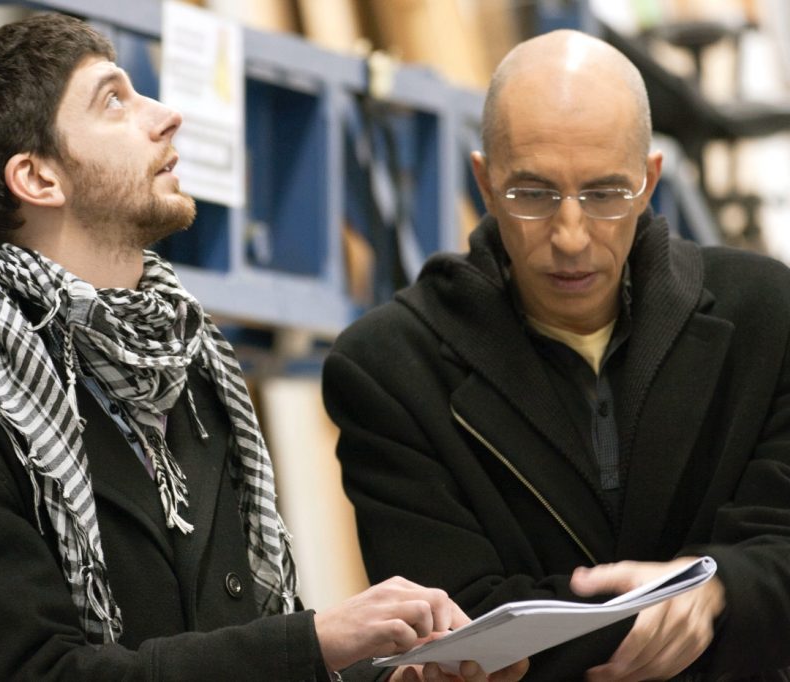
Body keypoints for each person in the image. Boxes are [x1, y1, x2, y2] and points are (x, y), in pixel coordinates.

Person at [0, 12, 530, 682]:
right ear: (38, 179)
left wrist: (390, 676)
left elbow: (232, 647)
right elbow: (37, 673)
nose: (165, 117)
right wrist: (316, 641)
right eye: (113, 100)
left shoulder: (186, 361)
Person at [322, 28, 790, 682]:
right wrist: (691, 602)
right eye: (534, 195)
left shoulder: (768, 317)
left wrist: (720, 587)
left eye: (604, 194)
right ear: (484, 182)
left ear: (649, 181)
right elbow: (453, 625)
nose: (570, 236)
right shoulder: (390, 369)